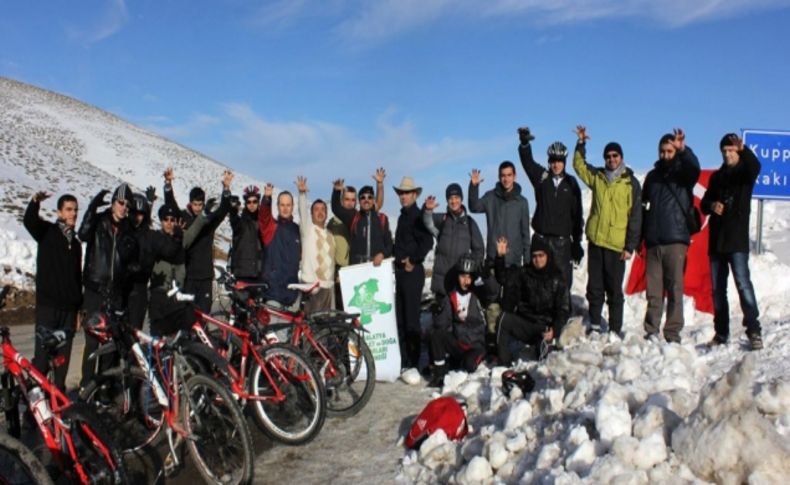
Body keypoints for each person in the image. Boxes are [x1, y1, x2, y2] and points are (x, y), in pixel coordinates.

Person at [572, 125, 642, 336]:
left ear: (621, 157)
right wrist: (581, 144)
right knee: (595, 287)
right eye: (608, 156)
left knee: (614, 290)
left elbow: (635, 217)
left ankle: (614, 329)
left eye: (615, 156)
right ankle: (594, 325)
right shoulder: (598, 177)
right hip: (597, 241)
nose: (612, 159)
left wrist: (630, 246)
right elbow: (579, 166)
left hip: (617, 245)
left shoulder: (630, 183)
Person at [701, 133, 763, 350]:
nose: (728, 154)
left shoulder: (744, 175)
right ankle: (721, 332)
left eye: (731, 150)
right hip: (717, 242)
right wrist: (712, 206)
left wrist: (744, 150)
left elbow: (755, 166)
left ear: (738, 152)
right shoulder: (717, 177)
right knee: (718, 290)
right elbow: (704, 203)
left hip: (737, 241)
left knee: (743, 285)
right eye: (725, 151)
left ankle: (754, 330)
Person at [641, 128, 700, 343]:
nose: (665, 155)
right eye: (662, 151)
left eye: (669, 151)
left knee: (675, 288)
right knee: (653, 291)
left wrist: (683, 149)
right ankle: (651, 330)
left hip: (676, 239)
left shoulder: (683, 175)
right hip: (654, 241)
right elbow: (643, 206)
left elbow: (694, 167)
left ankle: (672, 332)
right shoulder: (652, 177)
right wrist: (641, 238)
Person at [78, 183, 138, 388]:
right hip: (95, 290)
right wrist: (91, 209)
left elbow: (131, 259)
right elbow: (83, 234)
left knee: (110, 344)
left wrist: (130, 269)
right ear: (113, 202)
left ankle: (103, 390)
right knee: (93, 343)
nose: (124, 208)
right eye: (121, 203)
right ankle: (87, 386)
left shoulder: (128, 228)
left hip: (115, 293)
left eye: (127, 205)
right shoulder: (99, 221)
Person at [467, 160, 531, 353]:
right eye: (503, 175)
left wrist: (526, 262)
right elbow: (474, 206)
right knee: (493, 304)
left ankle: (508, 342)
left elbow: (525, 234)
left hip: (512, 262)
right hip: (494, 261)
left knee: (510, 303)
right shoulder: (490, 197)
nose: (506, 178)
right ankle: (493, 344)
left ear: (515, 176)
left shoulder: (522, 202)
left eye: (509, 175)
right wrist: (474, 186)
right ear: (499, 177)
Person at [23, 192, 82, 390]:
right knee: (41, 362)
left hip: (68, 313)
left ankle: (58, 410)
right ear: (59, 212)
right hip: (48, 309)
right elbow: (29, 222)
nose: (73, 214)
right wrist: (35, 202)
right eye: (68, 209)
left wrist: (78, 311)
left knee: (62, 365)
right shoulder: (47, 232)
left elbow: (76, 278)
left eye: (75, 210)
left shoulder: (75, 244)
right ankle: (34, 413)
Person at [517, 127, 584, 299]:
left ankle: (559, 319)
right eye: (553, 160)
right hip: (541, 240)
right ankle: (539, 318)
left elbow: (577, 215)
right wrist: (524, 143)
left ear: (565, 162)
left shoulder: (571, 183)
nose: (556, 164)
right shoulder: (542, 177)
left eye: (560, 160)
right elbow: (528, 163)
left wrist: (577, 242)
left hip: (562, 244)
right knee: (538, 281)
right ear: (549, 161)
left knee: (562, 284)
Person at [164, 168, 232, 313]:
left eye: (200, 205)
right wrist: (168, 185)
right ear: (190, 203)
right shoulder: (184, 218)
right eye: (195, 204)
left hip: (206, 277)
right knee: (187, 315)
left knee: (204, 315)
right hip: (189, 277)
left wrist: (226, 188)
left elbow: (223, 210)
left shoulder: (209, 221)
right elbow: (171, 206)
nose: (198, 208)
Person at [494, 237, 569, 366]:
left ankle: (541, 369)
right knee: (504, 319)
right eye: (534, 256)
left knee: (545, 356)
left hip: (544, 328)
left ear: (547, 255)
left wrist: (555, 330)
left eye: (541, 255)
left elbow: (564, 309)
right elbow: (503, 278)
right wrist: (500, 257)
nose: (538, 259)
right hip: (525, 324)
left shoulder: (557, 278)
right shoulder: (524, 273)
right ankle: (503, 364)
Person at [327, 168, 386, 308]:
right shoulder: (334, 222)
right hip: (341, 273)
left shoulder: (359, 217)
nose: (350, 203)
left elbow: (377, 203)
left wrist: (380, 185)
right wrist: (336, 191)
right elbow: (335, 208)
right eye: (347, 199)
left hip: (358, 269)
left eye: (353, 200)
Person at [393, 176, 434, 370]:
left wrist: (413, 260)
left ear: (414, 195)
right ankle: (403, 359)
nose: (403, 196)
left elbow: (427, 242)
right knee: (401, 318)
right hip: (401, 274)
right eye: (401, 193)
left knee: (411, 320)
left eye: (407, 193)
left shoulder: (418, 216)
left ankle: (414, 361)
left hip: (412, 272)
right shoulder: (402, 216)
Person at [427, 255, 487, 387]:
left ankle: (461, 362)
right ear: (457, 277)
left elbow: (492, 291)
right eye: (462, 276)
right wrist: (438, 311)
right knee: (437, 335)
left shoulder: (478, 296)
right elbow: (442, 325)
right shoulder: (451, 297)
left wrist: (486, 276)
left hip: (475, 345)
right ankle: (439, 375)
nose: (465, 281)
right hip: (459, 344)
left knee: (469, 365)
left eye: (468, 277)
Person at [422, 183, 485, 297]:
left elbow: (479, 250)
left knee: (459, 314)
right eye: (450, 198)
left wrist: (470, 271)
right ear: (447, 200)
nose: (454, 201)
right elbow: (427, 223)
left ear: (461, 199)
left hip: (460, 283)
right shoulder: (442, 219)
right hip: (441, 282)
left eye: (456, 198)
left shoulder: (470, 223)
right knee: (441, 314)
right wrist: (427, 210)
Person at [331, 178, 393, 266]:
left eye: (370, 197)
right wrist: (336, 191)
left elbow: (389, 245)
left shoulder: (382, 218)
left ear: (373, 200)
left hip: (377, 267)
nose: (366, 200)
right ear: (359, 201)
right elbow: (336, 208)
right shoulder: (353, 217)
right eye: (363, 197)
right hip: (358, 269)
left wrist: (382, 254)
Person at [296, 176, 336, 313]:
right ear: (312, 214)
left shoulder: (331, 235)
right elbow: (302, 212)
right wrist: (302, 194)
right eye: (316, 209)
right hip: (312, 286)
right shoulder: (307, 230)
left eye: (323, 209)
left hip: (328, 288)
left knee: (325, 330)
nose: (320, 212)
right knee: (311, 327)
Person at [258, 183, 301, 307]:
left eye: (288, 205)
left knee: (292, 327)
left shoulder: (297, 230)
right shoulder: (271, 227)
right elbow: (264, 217)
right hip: (273, 292)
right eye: (282, 205)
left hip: (292, 294)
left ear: (293, 206)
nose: (285, 208)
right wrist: (266, 199)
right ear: (277, 206)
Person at [128, 188, 157, 330]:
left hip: (139, 289)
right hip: (120, 290)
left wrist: (149, 203)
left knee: (134, 332)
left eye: (141, 214)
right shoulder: (123, 230)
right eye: (134, 213)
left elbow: (144, 227)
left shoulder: (147, 235)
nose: (137, 217)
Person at [229, 185, 263, 282]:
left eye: (254, 201)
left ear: (258, 202)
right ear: (245, 203)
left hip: (260, 273)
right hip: (241, 274)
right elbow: (234, 222)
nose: (252, 204)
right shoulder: (241, 222)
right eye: (249, 202)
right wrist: (233, 210)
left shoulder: (263, 222)